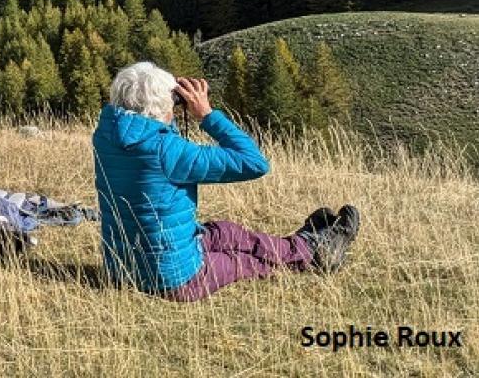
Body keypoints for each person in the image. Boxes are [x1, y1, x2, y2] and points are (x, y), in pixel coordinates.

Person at [92, 61, 359, 302]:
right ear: (162, 104)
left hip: (122, 268)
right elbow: (254, 162)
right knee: (241, 260)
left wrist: (165, 115)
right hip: (174, 279)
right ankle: (317, 251)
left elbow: (146, 141)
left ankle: (305, 243)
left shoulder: (105, 137)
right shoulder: (167, 151)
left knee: (225, 232)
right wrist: (207, 115)